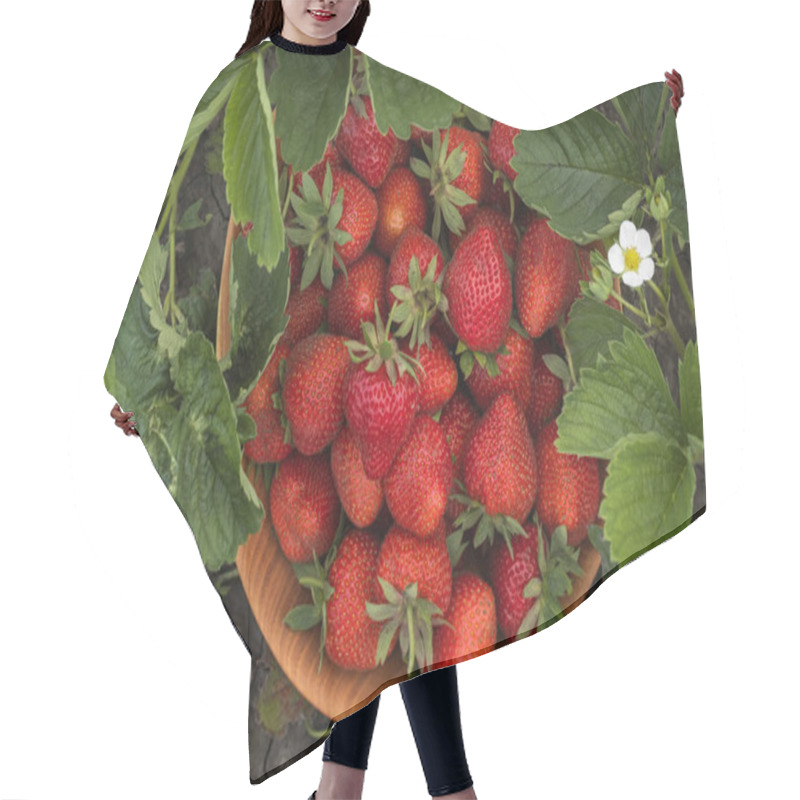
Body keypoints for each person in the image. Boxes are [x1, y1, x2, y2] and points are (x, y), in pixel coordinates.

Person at [112, 3, 479, 799]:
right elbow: (185, 237)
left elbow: (476, 152)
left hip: (377, 353)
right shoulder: (237, 93)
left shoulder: (374, 87)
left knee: (392, 585)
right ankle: (405, 790)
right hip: (277, 383)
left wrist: (641, 132)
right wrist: (151, 378)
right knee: (348, 587)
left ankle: (357, 790)